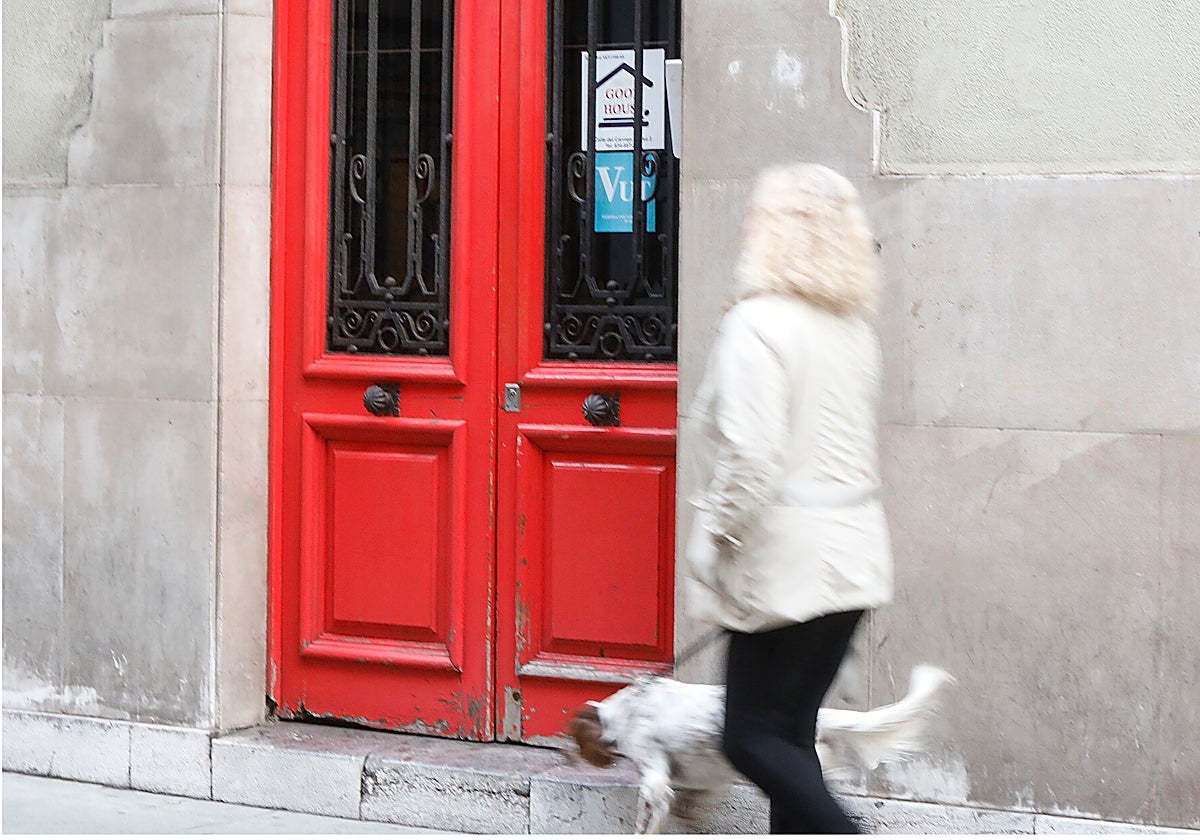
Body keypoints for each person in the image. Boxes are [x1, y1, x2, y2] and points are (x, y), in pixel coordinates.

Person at [684, 163, 894, 834]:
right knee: (790, 737)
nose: (746, 223)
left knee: (750, 738)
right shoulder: (852, 328)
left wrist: (717, 539)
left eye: (758, 213)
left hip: (785, 565)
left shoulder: (758, 323)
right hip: (853, 559)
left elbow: (751, 455)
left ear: (779, 230)